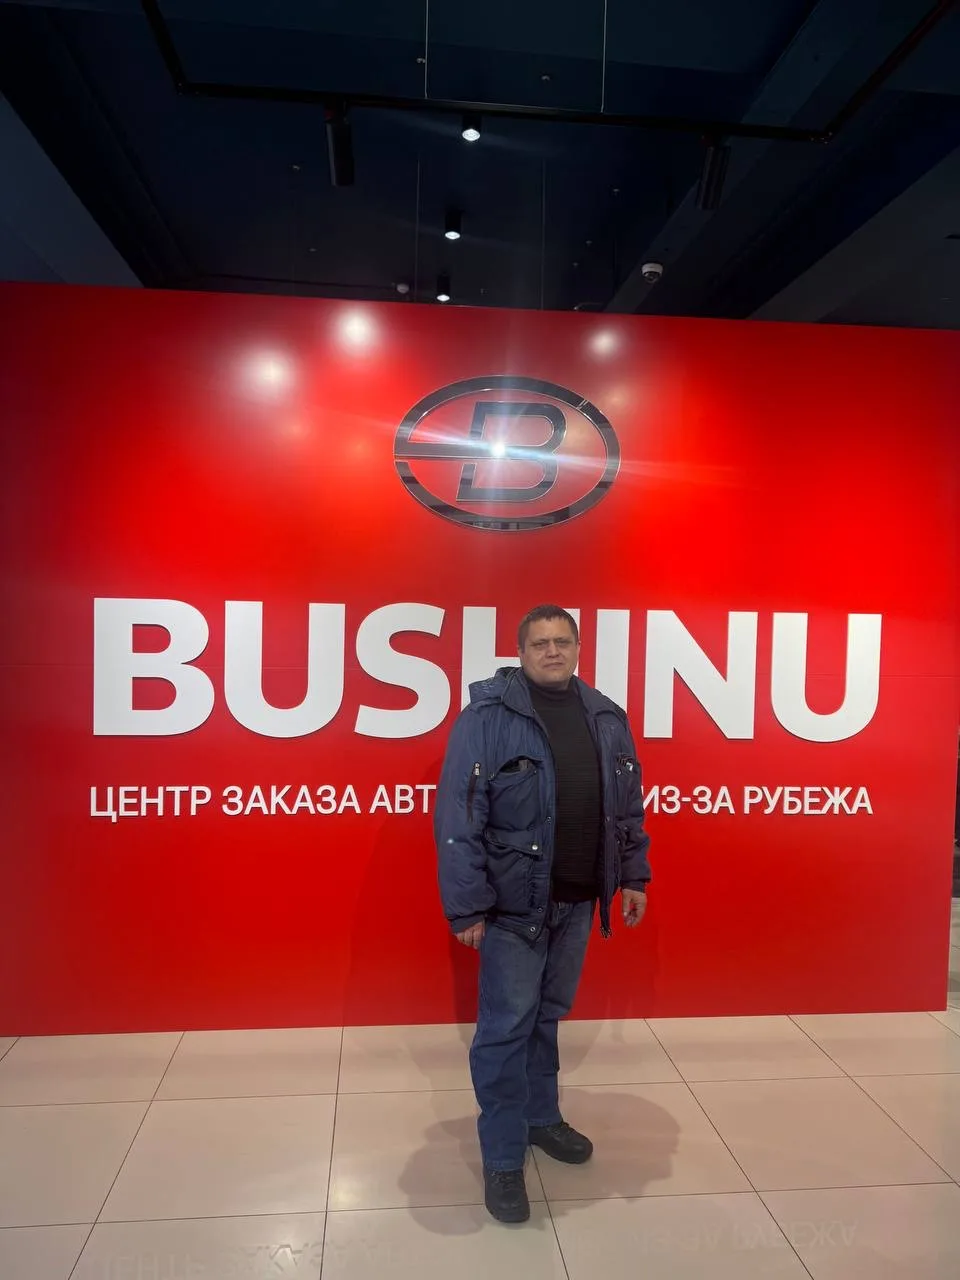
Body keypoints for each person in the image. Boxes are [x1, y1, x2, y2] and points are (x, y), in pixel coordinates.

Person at [435, 604, 652, 1223]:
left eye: (562, 641)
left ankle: (540, 1117)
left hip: (579, 901)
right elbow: (458, 817)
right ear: (521, 652)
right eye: (540, 643)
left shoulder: (606, 716)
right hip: (512, 908)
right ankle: (503, 1156)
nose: (552, 651)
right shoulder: (486, 717)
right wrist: (467, 906)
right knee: (506, 1027)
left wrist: (632, 874)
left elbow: (627, 806)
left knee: (546, 1018)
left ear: (578, 648)